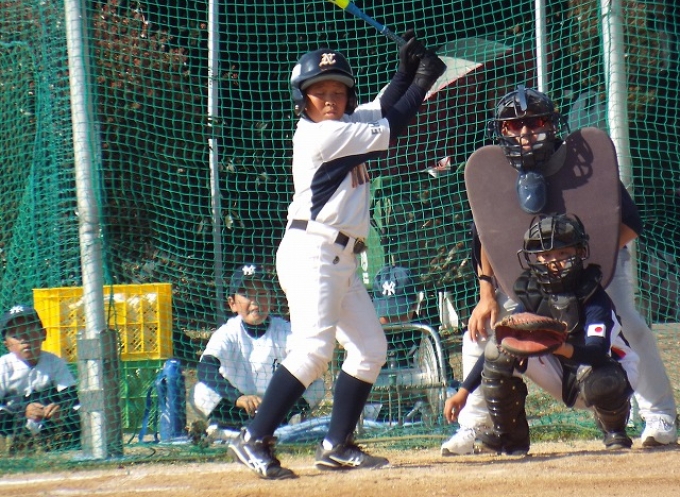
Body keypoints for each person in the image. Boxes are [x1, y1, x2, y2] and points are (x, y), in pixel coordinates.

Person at [228, 37, 447, 479]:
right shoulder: (321, 134)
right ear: (302, 99)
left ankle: (336, 444)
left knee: (370, 349)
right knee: (313, 350)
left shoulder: (345, 122)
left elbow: (382, 108)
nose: (330, 99)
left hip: (339, 257)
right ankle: (254, 436)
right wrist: (423, 81)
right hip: (313, 251)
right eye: (319, 92)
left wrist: (405, 73)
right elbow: (391, 127)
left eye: (338, 91)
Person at [442, 86, 677, 455]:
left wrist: (582, 266)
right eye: (513, 125)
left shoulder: (585, 169)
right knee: (482, 332)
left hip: (596, 264)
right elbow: (486, 239)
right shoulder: (494, 175)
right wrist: (487, 295)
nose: (524, 132)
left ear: (551, 125)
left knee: (628, 323)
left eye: (535, 122)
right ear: (500, 131)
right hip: (534, 272)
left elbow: (630, 223)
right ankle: (476, 426)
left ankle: (659, 416)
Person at [444, 213, 640, 454]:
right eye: (546, 255)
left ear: (580, 252)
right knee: (500, 348)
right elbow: (502, 342)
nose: (554, 262)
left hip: (609, 372)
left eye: (563, 253)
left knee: (603, 379)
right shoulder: (532, 294)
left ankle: (615, 431)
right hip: (563, 374)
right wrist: (463, 392)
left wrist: (558, 347)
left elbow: (597, 353)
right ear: (534, 258)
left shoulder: (593, 294)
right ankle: (510, 436)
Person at [191, 263, 325, 433]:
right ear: (232, 303)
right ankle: (229, 427)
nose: (255, 301)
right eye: (246, 294)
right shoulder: (228, 332)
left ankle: (286, 423)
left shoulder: (285, 330)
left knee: (318, 386)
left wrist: (280, 399)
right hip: (238, 406)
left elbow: (308, 364)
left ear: (271, 299)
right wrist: (238, 397)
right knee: (200, 391)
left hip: (277, 406)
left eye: (261, 294)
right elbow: (205, 369)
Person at [0, 305, 80, 453]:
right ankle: (14, 448)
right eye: (16, 335)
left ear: (43, 334)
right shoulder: (3, 366)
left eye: (30, 331)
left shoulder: (54, 362)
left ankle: (57, 446)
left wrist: (60, 409)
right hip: (14, 424)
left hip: (49, 424)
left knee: (74, 413)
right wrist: (22, 411)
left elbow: (71, 397)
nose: (24, 339)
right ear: (6, 344)